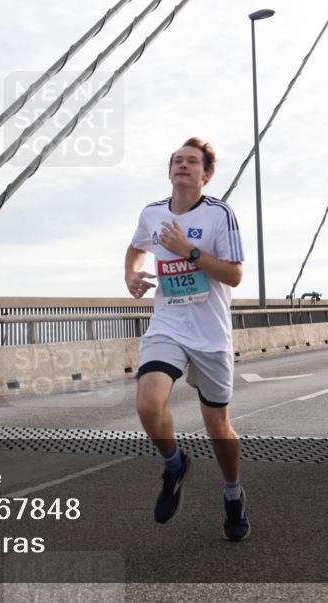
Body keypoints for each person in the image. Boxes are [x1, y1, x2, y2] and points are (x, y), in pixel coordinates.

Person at [124, 136, 249, 541]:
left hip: (211, 334)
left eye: (192, 161)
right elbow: (136, 249)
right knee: (147, 402)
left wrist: (188, 251)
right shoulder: (152, 213)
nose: (183, 165)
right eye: (177, 160)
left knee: (218, 429)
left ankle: (232, 493)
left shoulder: (219, 214)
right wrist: (131, 274)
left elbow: (233, 275)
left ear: (206, 174)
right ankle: (175, 464)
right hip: (168, 324)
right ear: (169, 171)